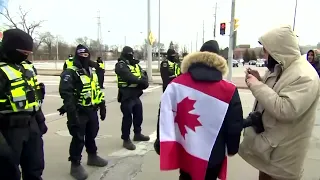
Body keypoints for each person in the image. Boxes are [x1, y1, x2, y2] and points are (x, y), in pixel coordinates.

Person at [239, 25, 320, 180]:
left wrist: (257, 85)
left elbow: (285, 109)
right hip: (271, 152)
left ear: (278, 49)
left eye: (266, 50)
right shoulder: (282, 68)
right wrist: (261, 80)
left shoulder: (305, 76)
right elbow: (277, 93)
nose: (264, 55)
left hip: (283, 158)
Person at [158, 40, 243, 180]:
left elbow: (165, 114)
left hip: (186, 150)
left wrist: (161, 143)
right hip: (214, 154)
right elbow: (234, 124)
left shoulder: (176, 85)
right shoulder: (229, 90)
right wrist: (233, 148)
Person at [0, 28, 47, 180]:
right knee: (9, 172)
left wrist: (40, 120)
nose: (26, 56)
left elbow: (32, 96)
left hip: (31, 126)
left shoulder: (26, 66)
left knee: (35, 167)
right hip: (8, 130)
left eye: (29, 53)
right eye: (23, 52)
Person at [59, 44, 108, 180]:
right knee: (78, 138)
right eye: (81, 55)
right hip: (78, 111)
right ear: (76, 55)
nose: (84, 57)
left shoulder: (92, 71)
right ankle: (75, 164)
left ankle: (92, 156)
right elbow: (66, 93)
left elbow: (96, 89)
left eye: (86, 55)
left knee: (92, 134)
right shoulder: (70, 72)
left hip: (91, 109)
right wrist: (71, 112)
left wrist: (102, 105)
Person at [115, 46, 150, 150]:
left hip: (136, 94)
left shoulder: (135, 65)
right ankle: (126, 139)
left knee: (138, 115)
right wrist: (140, 81)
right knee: (127, 118)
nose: (131, 55)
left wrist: (144, 82)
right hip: (126, 95)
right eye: (129, 54)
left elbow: (143, 74)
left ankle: (137, 134)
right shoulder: (121, 65)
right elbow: (128, 77)